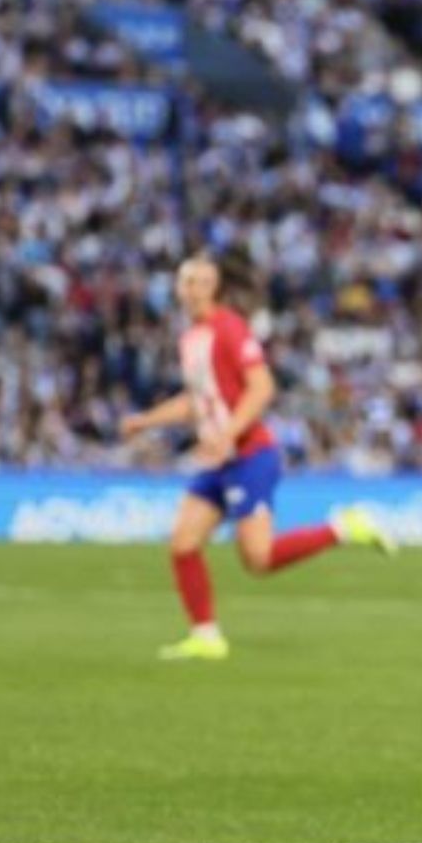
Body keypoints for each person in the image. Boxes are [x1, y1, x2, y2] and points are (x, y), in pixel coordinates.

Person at [119, 253, 394, 661]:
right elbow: (197, 402)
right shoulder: (191, 339)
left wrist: (227, 433)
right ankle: (206, 636)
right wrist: (146, 420)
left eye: (198, 281)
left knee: (259, 559)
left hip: (250, 455)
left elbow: (261, 388)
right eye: (184, 281)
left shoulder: (230, 328)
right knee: (183, 543)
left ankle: (344, 528)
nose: (189, 289)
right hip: (219, 458)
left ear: (214, 288)